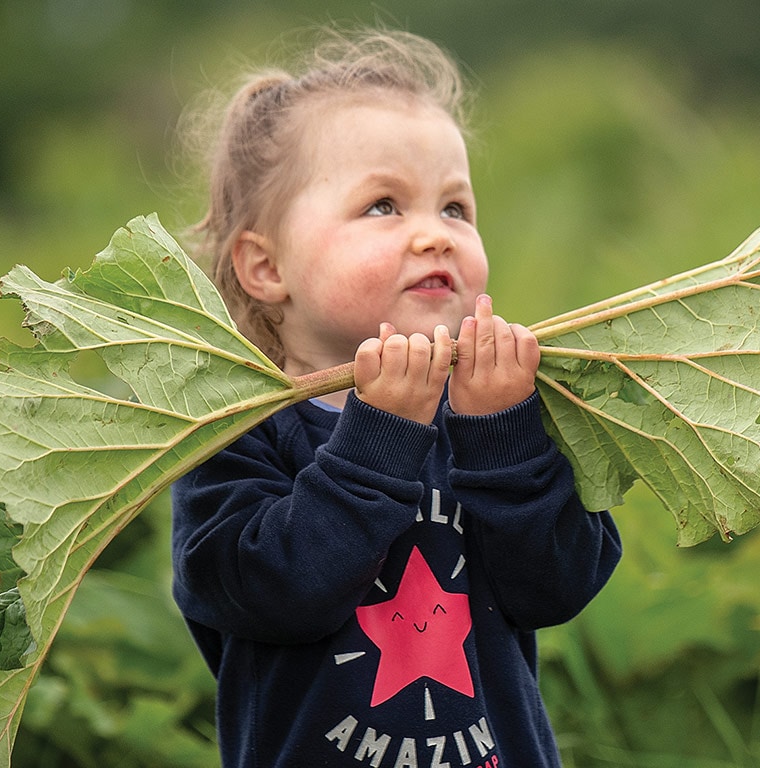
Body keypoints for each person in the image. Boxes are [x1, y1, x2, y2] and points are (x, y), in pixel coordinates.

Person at [170, 26, 621, 767]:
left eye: (455, 209)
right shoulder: (236, 435)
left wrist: (505, 437)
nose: (433, 236)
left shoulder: (487, 412)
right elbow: (266, 591)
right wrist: (376, 440)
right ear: (264, 265)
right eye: (384, 206)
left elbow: (557, 588)